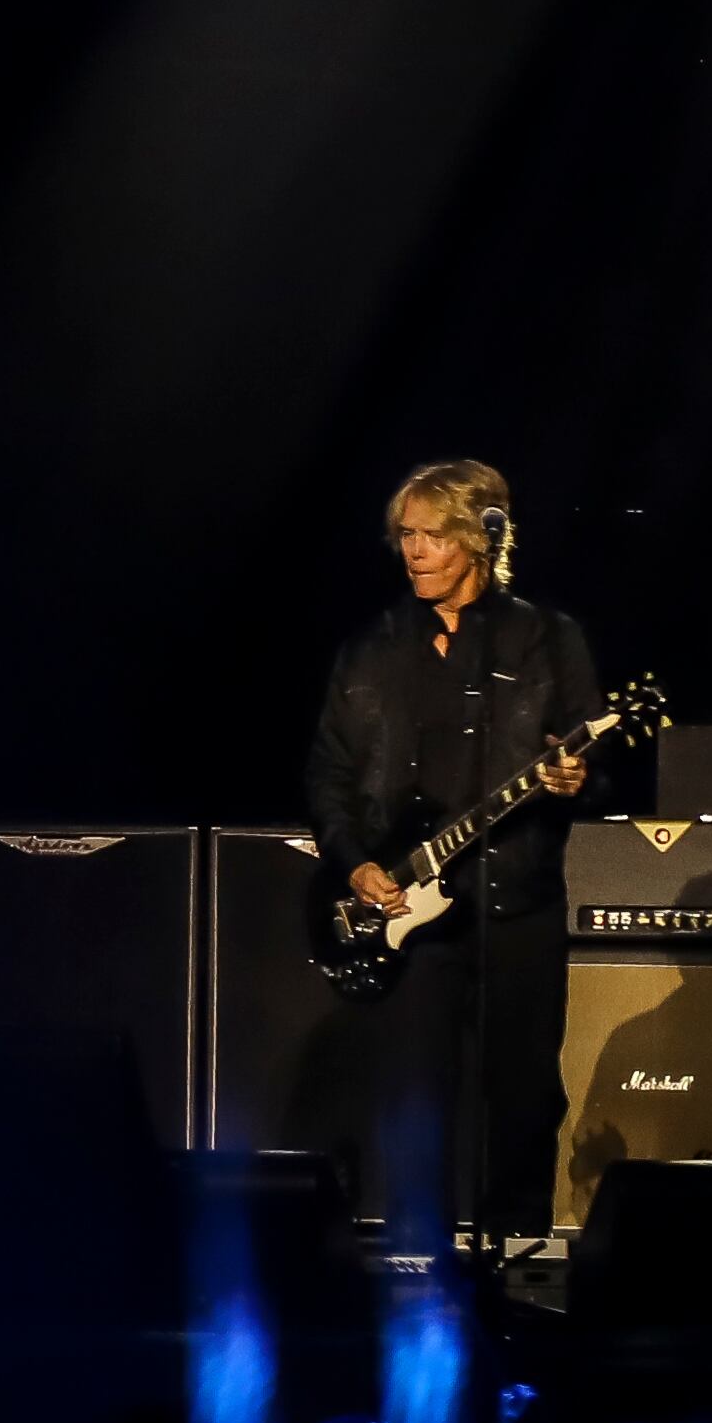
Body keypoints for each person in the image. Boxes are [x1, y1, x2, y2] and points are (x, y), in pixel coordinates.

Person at [300, 457, 595, 1243]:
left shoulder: (546, 640)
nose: (415, 552)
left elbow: (594, 763)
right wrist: (355, 861)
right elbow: (329, 774)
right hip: (409, 914)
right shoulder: (372, 650)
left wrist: (574, 779)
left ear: (479, 539)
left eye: (433, 536)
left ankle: (520, 1251)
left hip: (519, 903)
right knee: (415, 1094)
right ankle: (416, 1258)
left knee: (525, 1094)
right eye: (406, 536)